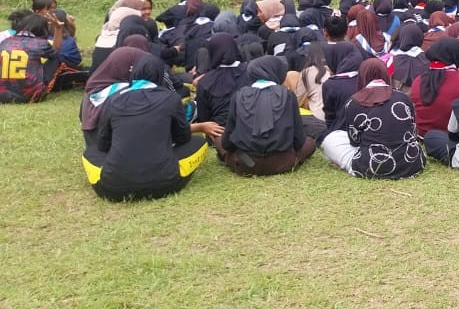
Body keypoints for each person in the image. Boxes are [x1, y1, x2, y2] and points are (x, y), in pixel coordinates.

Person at [83, 54, 208, 201]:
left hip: (113, 188)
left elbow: (103, 144)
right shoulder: (170, 98)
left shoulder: (113, 100)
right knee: (199, 143)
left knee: (90, 151)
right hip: (166, 183)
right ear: (160, 76)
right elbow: (183, 137)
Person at [322, 59, 424, 179]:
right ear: (386, 74)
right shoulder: (403, 97)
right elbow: (412, 132)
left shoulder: (353, 102)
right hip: (412, 164)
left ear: (361, 76)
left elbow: (354, 142)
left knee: (330, 140)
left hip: (370, 166)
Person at [217, 56, 317, 175]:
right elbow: (299, 140)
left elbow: (227, 142)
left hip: (246, 164)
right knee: (310, 142)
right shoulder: (288, 95)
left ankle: (230, 157)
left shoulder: (238, 95)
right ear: (278, 72)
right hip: (283, 163)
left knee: (219, 139)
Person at [0, 12, 61, 104]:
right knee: (55, 58)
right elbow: (56, 52)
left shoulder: (5, 42)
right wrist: (58, 29)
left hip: (2, 94)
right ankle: (43, 86)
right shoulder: (40, 43)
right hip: (30, 95)